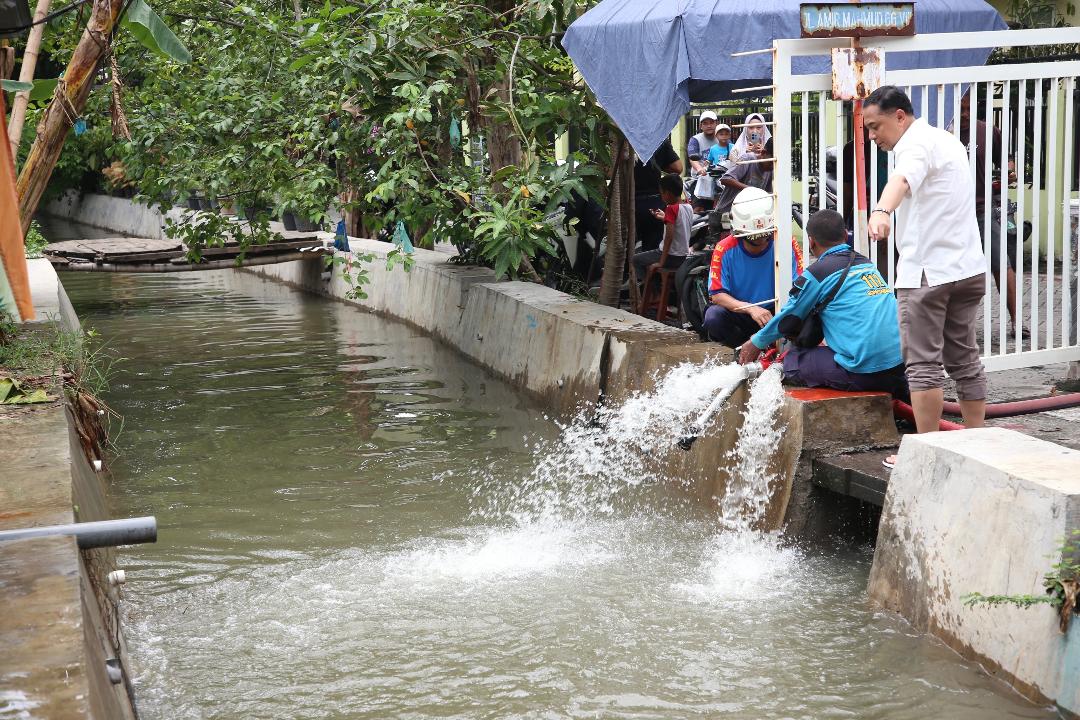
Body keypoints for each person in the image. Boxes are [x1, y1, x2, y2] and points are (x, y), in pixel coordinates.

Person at [864, 85, 987, 461]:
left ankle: (926, 450)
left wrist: (882, 211)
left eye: (876, 126)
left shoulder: (913, 145)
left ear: (900, 116)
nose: (873, 137)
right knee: (965, 357)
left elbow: (901, 181)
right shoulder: (947, 140)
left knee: (921, 365)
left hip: (927, 274)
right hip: (968, 269)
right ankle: (977, 443)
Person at [738, 210, 908, 398]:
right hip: (900, 366)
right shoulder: (866, 265)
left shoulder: (817, 274)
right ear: (845, 235)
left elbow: (790, 317)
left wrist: (756, 342)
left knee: (794, 361)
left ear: (811, 242)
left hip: (864, 372)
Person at [954, 92, 1023, 335]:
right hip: (952, 215)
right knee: (955, 270)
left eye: (968, 109)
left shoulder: (987, 131)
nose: (964, 114)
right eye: (960, 108)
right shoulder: (941, 134)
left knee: (1001, 264)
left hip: (983, 209)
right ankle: (956, 326)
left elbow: (1007, 159)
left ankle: (1016, 321)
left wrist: (1010, 171)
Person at [702, 187, 805, 348]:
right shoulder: (724, 248)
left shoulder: (786, 242)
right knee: (714, 317)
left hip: (776, 312)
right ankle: (742, 349)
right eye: (754, 240)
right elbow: (717, 295)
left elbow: (800, 285)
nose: (761, 244)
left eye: (765, 237)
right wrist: (751, 309)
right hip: (741, 312)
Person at [632, 174, 691, 291]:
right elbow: (679, 224)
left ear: (667, 193)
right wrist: (664, 218)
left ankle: (652, 291)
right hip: (683, 255)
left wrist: (661, 262)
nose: (661, 196)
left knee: (635, 260)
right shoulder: (688, 206)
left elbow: (669, 237)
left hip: (671, 256)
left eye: (662, 193)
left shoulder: (671, 208)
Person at [634, 138, 684, 252]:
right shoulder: (658, 138)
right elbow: (678, 168)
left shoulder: (619, 137)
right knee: (652, 247)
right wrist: (658, 165)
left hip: (625, 201)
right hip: (653, 202)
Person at [714, 138, 774, 217]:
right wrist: (751, 190)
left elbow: (767, 193)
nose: (773, 166)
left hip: (749, 216)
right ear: (763, 153)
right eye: (771, 163)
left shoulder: (770, 170)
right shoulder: (748, 159)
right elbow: (726, 179)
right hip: (727, 214)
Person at [687, 111, 720, 177]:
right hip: (700, 177)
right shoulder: (695, 140)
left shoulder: (723, 139)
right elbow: (692, 158)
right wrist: (699, 169)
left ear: (717, 123)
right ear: (701, 126)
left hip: (719, 176)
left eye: (712, 122)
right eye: (705, 123)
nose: (709, 126)